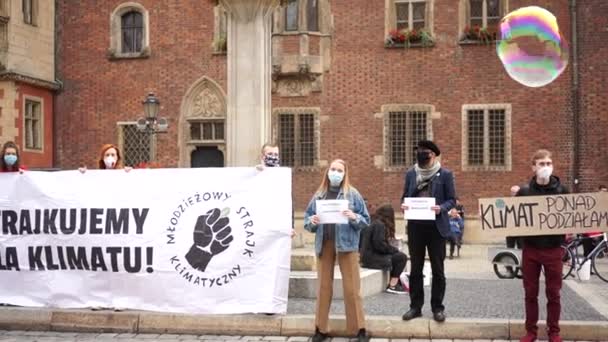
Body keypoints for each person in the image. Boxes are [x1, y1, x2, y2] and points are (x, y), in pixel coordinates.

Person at [304, 159, 370, 342]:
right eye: (333, 169)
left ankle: (359, 329)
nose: (335, 173)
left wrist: (353, 216)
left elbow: (365, 220)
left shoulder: (352, 194)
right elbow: (307, 219)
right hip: (325, 243)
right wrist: (312, 222)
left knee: (352, 288)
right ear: (327, 172)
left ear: (344, 173)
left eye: (339, 170)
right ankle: (321, 329)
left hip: (347, 244)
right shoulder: (320, 194)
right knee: (323, 288)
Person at [400, 140, 455, 323]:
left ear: (433, 154)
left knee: (438, 269)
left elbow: (452, 200)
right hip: (416, 227)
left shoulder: (445, 174)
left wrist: (442, 208)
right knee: (415, 268)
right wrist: (404, 205)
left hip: (436, 228)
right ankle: (415, 307)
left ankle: (437, 308)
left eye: (425, 151)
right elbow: (405, 196)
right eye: (419, 151)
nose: (421, 154)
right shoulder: (411, 173)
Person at [516, 149, 568, 342]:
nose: (545, 167)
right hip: (531, 249)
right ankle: (531, 331)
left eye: (548, 163)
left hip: (554, 249)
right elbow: (514, 219)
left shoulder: (563, 191)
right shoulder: (524, 192)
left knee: (554, 293)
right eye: (541, 164)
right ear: (533, 167)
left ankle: (553, 331)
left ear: (552, 166)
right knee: (530, 293)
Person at [360, 204, 408, 294]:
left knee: (397, 256)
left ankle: (394, 283)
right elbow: (379, 245)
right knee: (401, 257)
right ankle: (393, 285)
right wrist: (394, 250)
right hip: (372, 259)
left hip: (366, 257)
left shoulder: (372, 221)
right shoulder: (379, 225)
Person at [256, 143, 295, 239]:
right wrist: (256, 174)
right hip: (259, 225)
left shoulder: (283, 177)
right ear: (262, 156)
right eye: (270, 154)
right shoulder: (255, 174)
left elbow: (289, 205)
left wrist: (291, 226)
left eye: (276, 155)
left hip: (278, 225)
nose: (273, 157)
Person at [582, 185, 607, 258]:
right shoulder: (594, 200)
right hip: (592, 225)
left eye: (605, 192)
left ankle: (600, 251)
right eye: (602, 191)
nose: (603, 193)